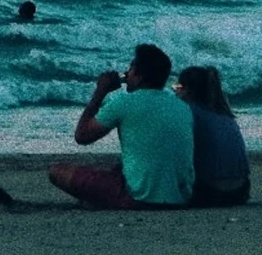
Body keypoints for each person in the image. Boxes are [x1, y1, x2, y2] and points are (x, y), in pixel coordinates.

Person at [49, 41, 194, 210]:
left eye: (131, 68)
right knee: (122, 165)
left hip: (140, 199)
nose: (127, 73)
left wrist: (100, 92)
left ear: (139, 75)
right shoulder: (181, 106)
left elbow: (82, 136)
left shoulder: (124, 102)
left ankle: (103, 200)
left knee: (56, 171)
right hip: (180, 198)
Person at [177, 65, 251, 205]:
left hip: (210, 191)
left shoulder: (188, 112)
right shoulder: (225, 114)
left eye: (178, 87)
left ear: (187, 90)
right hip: (241, 190)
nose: (175, 92)